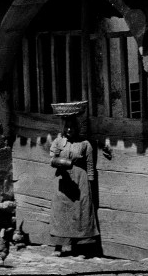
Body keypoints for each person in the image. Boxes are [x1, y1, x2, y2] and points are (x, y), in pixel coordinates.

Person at [49, 106, 99, 257]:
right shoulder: (58, 142)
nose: (69, 130)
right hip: (63, 180)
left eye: (72, 127)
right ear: (63, 128)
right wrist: (62, 161)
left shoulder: (85, 144)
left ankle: (81, 249)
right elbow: (52, 159)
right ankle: (59, 246)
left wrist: (89, 188)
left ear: (77, 128)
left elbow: (90, 167)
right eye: (67, 127)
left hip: (80, 180)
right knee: (60, 211)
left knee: (81, 212)